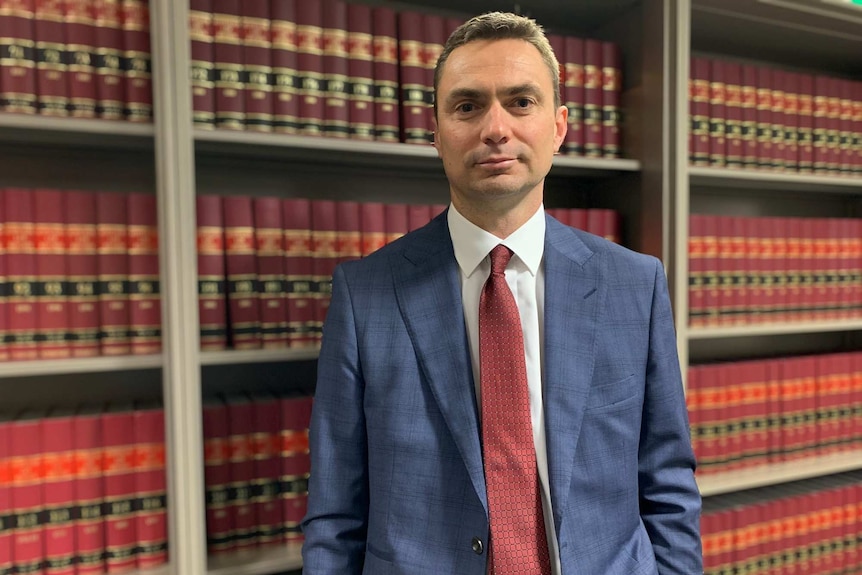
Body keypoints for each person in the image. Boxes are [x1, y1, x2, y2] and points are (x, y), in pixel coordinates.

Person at [301, 11, 703, 575]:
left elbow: (668, 483)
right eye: (467, 106)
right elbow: (335, 513)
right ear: (436, 131)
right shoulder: (365, 294)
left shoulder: (636, 284)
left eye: (521, 102)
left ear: (559, 126)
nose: (496, 128)